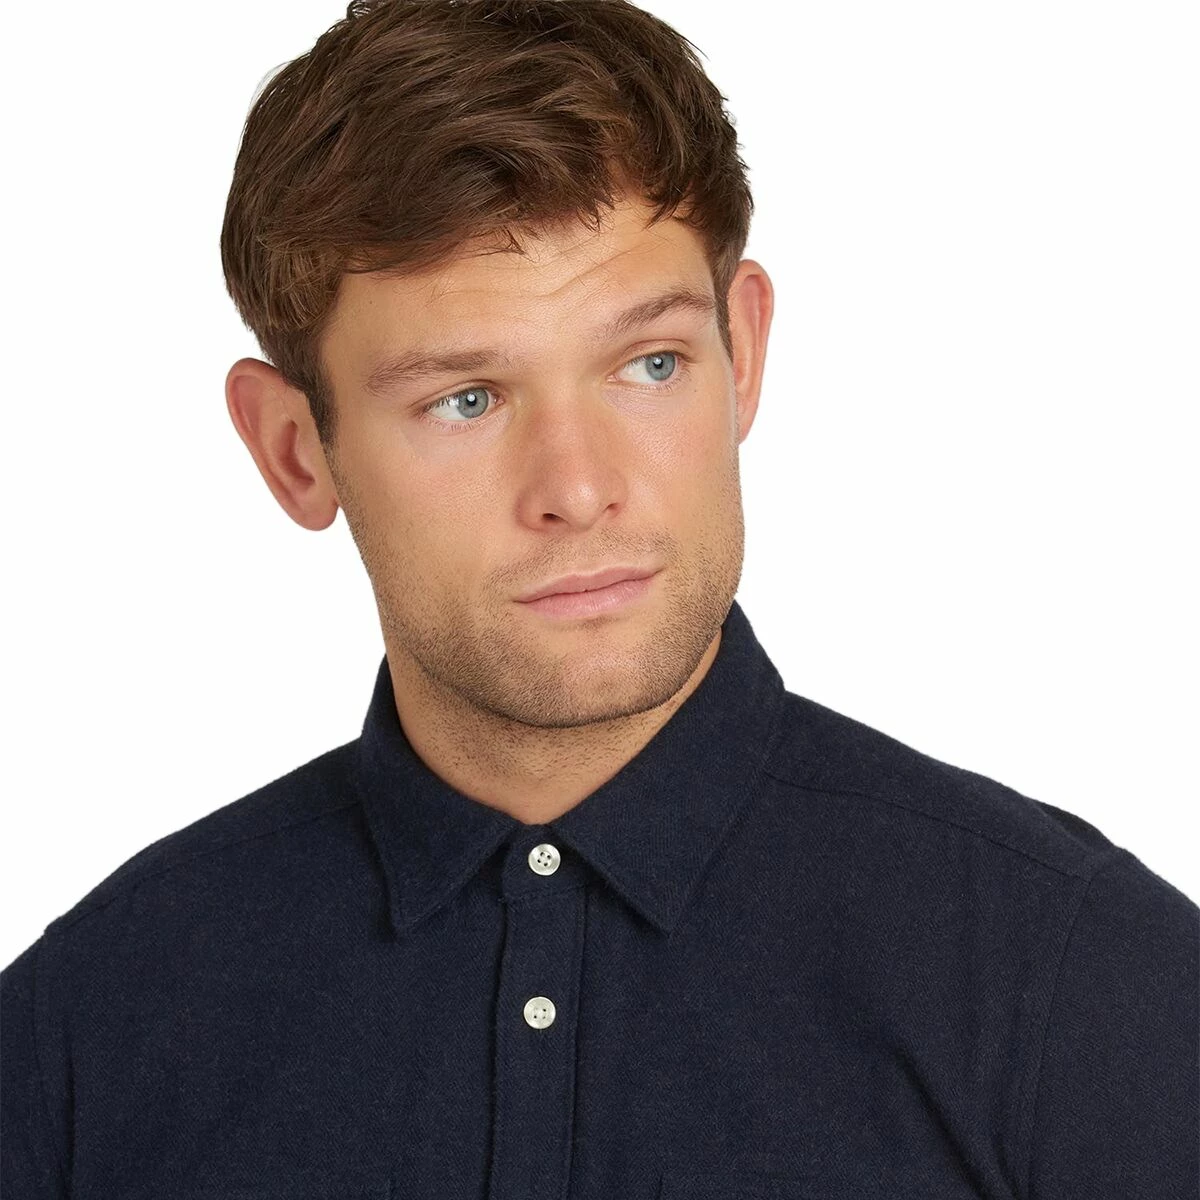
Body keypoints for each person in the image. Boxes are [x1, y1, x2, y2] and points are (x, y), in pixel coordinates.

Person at [2, 0, 1196, 1196]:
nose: (577, 490)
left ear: (744, 352)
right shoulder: (80, 1037)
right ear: (294, 450)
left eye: (649, 364)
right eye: (465, 399)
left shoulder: (1087, 984)